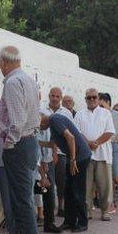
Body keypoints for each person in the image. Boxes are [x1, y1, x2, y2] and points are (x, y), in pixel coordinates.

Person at [0, 46, 42, 234]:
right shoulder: (28, 79)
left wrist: (9, 142)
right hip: (29, 142)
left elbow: (17, 120)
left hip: (19, 144)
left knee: (22, 200)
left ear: (4, 62)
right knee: (21, 199)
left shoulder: (13, 82)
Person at [39, 113, 92, 232]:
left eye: (39, 126)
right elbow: (52, 144)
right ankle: (69, 221)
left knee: (78, 190)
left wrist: (73, 159)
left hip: (79, 157)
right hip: (72, 157)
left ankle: (83, 222)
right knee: (68, 190)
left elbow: (70, 137)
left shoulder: (55, 119)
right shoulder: (52, 124)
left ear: (41, 121)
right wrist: (37, 142)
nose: (40, 129)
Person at [74, 88, 115, 222]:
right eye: (89, 97)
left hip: (103, 154)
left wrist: (96, 142)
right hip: (86, 155)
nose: (92, 100)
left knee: (104, 185)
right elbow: (77, 132)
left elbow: (109, 132)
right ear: (85, 99)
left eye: (94, 97)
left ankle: (104, 210)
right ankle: (87, 210)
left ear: (98, 99)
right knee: (86, 185)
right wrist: (87, 143)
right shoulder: (80, 114)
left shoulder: (106, 113)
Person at [42, 87, 72, 216]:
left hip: (61, 151)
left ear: (61, 98)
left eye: (57, 96)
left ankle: (61, 206)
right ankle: (47, 211)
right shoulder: (41, 110)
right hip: (45, 151)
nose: (54, 98)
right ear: (49, 96)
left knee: (61, 180)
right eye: (52, 96)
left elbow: (71, 132)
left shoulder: (66, 113)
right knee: (48, 181)